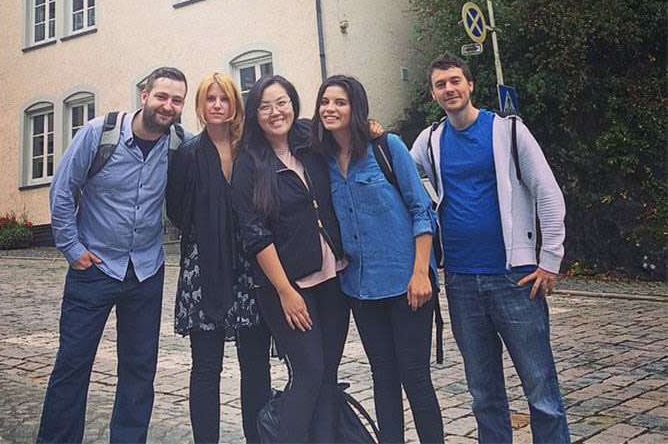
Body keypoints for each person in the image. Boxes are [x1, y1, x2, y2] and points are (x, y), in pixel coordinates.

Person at [410, 53, 570, 444]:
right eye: (440, 84)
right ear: (433, 94)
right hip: (461, 281)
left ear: (470, 85)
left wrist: (550, 261)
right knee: (483, 394)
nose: (449, 89)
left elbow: (547, 193)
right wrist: (377, 138)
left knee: (540, 389)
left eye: (454, 81)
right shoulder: (429, 141)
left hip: (514, 277)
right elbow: (403, 177)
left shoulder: (508, 131)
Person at [37, 67, 188, 444]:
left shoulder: (180, 144)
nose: (168, 106)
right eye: (162, 97)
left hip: (146, 272)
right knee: (72, 365)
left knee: (139, 371)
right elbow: (62, 190)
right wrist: (73, 250)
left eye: (176, 100)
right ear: (144, 95)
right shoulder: (98, 134)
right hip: (95, 269)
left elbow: (225, 149)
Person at [311, 75, 444, 444]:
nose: (330, 109)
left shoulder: (387, 147)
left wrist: (422, 274)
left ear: (356, 107)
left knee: (415, 377)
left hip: (406, 283)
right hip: (360, 288)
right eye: (325, 102)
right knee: (382, 377)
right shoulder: (321, 159)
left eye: (340, 102)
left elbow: (422, 211)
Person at [231, 74, 350, 444]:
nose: (275, 111)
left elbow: (350, 132)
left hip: (333, 278)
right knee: (309, 372)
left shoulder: (309, 141)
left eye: (281, 102)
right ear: (255, 114)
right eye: (265, 106)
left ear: (294, 104)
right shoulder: (249, 163)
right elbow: (254, 233)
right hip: (287, 287)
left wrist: (374, 129)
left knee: (328, 373)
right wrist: (285, 291)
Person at [166, 72, 272, 444]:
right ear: (200, 106)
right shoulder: (188, 154)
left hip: (251, 265)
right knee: (206, 367)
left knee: (256, 367)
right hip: (204, 268)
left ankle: (257, 438)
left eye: (224, 99)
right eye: (210, 99)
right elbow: (177, 209)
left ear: (234, 106)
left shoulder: (252, 150)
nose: (216, 105)